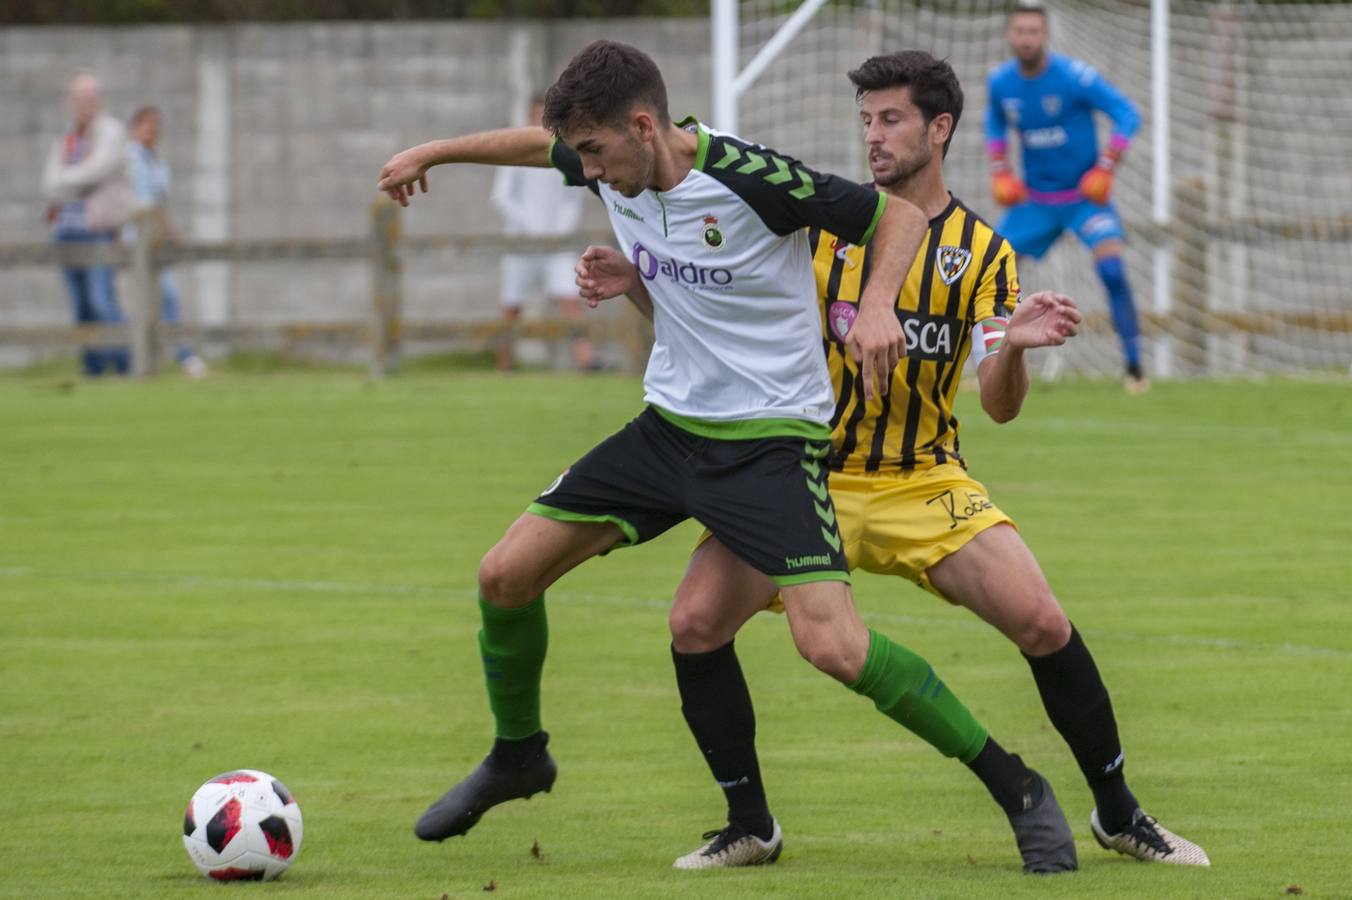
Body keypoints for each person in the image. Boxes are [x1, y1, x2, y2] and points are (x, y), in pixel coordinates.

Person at [377, 40, 1074, 874]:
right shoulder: (610, 160)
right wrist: (432, 153)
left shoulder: (749, 177)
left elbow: (898, 217)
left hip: (769, 446)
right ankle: (524, 756)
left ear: (644, 126)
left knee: (832, 647)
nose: (589, 174)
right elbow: (538, 146)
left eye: (597, 153)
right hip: (668, 430)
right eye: (581, 157)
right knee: (507, 576)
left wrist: (880, 305)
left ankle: (1016, 787)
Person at [584, 51, 1207, 869]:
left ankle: (1120, 814)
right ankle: (750, 825)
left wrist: (1013, 348)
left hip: (922, 480)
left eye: (891, 120)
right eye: (866, 121)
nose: (873, 138)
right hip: (804, 477)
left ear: (938, 129)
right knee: (695, 623)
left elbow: (999, 403)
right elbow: (716, 323)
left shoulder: (983, 253)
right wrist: (640, 280)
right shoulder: (814, 229)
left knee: (1044, 622)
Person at [985, 0, 1149, 394]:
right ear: (1010, 35)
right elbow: (993, 126)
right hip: (1036, 202)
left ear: (1045, 35)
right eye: (1020, 31)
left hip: (1083, 199)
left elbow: (1127, 114)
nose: (1026, 39)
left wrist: (1106, 166)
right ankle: (987, 366)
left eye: (1033, 32)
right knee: (991, 273)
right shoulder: (1001, 83)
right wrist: (1000, 171)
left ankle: (1134, 366)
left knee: (1112, 270)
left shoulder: (1075, 78)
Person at [490, 96, 597, 372]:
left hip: (556, 244)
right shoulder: (515, 152)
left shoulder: (566, 153)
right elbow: (502, 197)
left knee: (569, 298)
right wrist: (530, 227)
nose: (541, 122)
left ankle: (587, 362)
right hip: (521, 243)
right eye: (537, 116)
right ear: (529, 116)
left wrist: (560, 231)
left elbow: (573, 197)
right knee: (512, 305)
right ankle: (504, 366)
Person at [42, 73, 131, 377]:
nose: (84, 104)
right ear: (71, 102)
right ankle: (92, 369)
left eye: (90, 98)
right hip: (64, 230)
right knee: (80, 306)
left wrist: (66, 180)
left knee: (101, 301)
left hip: (97, 229)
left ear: (99, 99)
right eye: (79, 98)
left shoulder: (111, 131)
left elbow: (97, 171)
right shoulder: (67, 136)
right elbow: (49, 183)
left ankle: (124, 365)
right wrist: (71, 183)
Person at [126, 105, 208, 378]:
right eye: (147, 126)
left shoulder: (157, 163)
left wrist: (172, 232)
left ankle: (172, 356)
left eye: (156, 127)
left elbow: (159, 204)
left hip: (154, 242)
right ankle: (175, 357)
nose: (152, 132)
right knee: (147, 301)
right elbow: (138, 203)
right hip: (132, 242)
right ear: (135, 128)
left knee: (165, 298)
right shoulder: (129, 159)